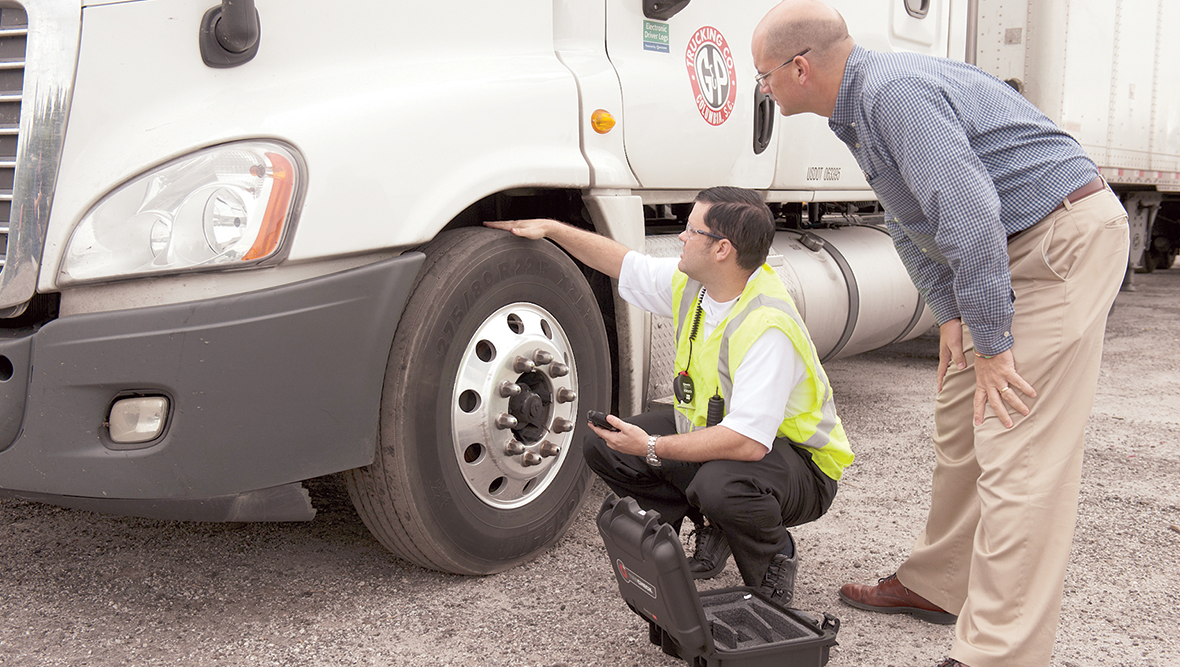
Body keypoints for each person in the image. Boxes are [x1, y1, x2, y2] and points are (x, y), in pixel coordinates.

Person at [750, 2, 1130, 666]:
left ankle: (998, 653)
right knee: (961, 419)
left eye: (764, 75)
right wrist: (952, 315)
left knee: (1019, 446)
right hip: (1007, 249)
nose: (762, 88)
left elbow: (970, 214)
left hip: (1057, 243)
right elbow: (908, 217)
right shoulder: (856, 108)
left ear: (800, 68)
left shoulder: (893, 93)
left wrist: (993, 339)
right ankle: (941, 583)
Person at [484, 187, 853, 604]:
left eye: (692, 229)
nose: (681, 236)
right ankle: (705, 533)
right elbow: (623, 264)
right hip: (725, 439)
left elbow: (749, 442)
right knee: (605, 442)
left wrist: (653, 446)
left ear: (722, 249)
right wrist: (553, 230)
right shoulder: (697, 285)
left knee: (720, 485)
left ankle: (772, 568)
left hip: (800, 464)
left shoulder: (766, 325)